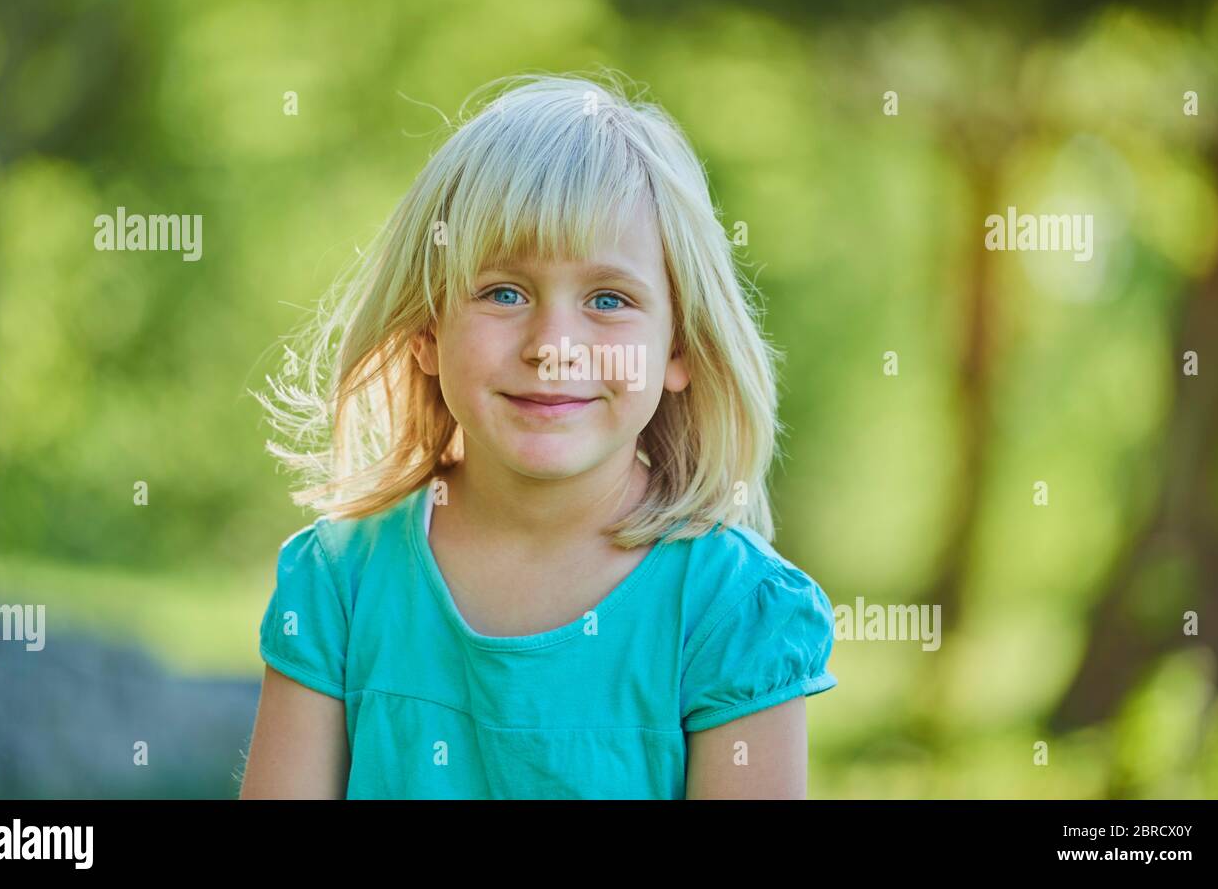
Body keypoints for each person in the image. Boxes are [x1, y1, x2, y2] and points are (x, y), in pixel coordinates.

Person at [239, 70, 837, 799]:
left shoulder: (732, 612)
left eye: (608, 299)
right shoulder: (342, 581)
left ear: (678, 348)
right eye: (504, 292)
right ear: (426, 329)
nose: (554, 344)